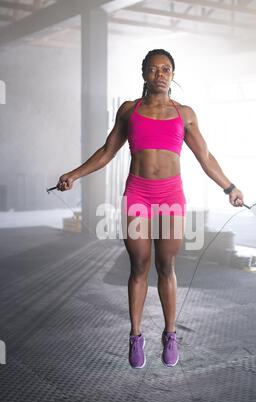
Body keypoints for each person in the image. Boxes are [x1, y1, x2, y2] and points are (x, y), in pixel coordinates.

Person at [56, 48, 244, 370]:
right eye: (154, 69)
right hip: (138, 195)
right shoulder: (130, 110)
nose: (160, 74)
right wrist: (74, 174)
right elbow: (107, 151)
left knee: (166, 266)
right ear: (144, 73)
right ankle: (136, 335)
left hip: (171, 196)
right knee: (139, 265)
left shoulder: (185, 114)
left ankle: (170, 335)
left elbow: (206, 158)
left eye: (166, 69)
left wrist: (229, 187)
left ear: (173, 74)